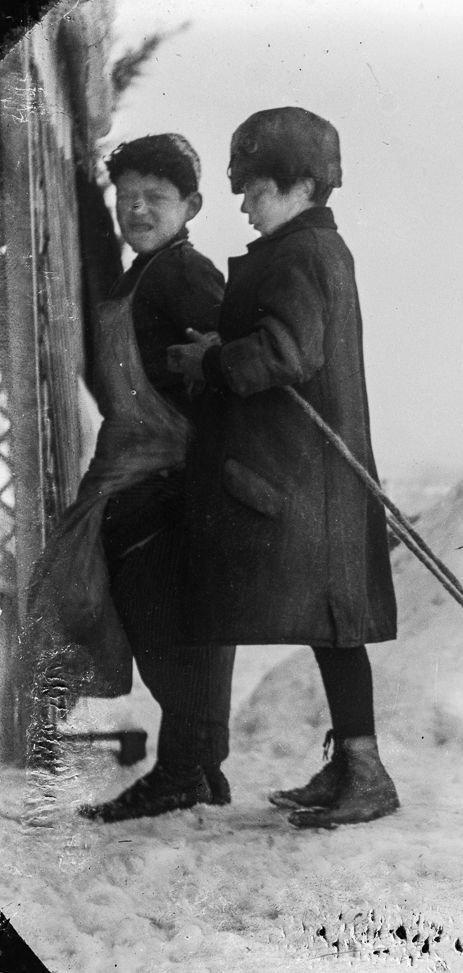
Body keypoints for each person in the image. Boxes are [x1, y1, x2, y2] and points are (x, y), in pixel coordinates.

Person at [167, 107, 399, 828]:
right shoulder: (312, 249)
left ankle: (366, 773)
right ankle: (353, 764)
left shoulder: (303, 253)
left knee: (335, 627)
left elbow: (289, 352)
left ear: (300, 183)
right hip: (318, 475)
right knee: (334, 630)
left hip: (313, 481)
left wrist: (212, 358)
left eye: (254, 187)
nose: (242, 201)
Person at [30, 134, 236, 821]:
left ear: (192, 205)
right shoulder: (139, 274)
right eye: (128, 197)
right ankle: (197, 768)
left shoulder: (185, 272)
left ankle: (186, 770)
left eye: (156, 198)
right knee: (156, 623)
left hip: (172, 476)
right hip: (133, 471)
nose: (138, 210)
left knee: (170, 626)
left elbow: (230, 365)